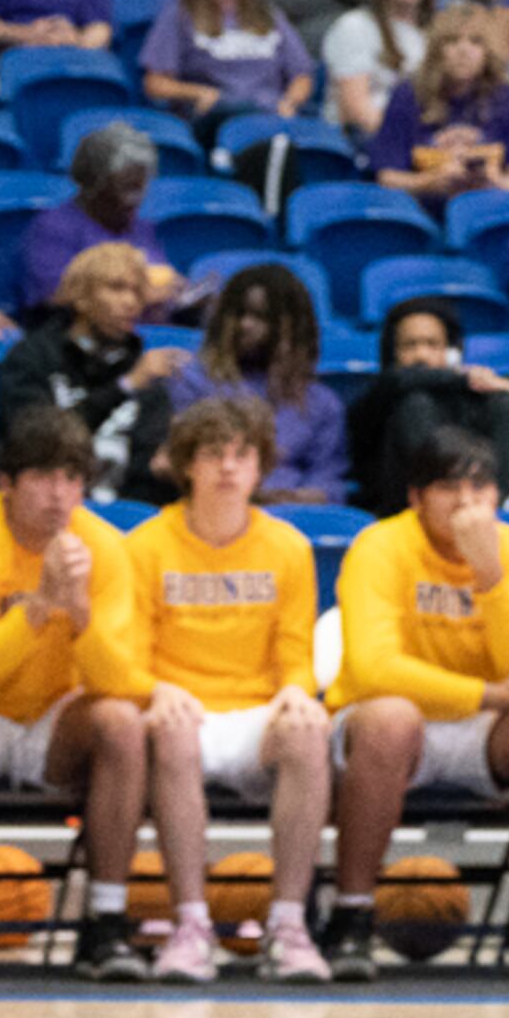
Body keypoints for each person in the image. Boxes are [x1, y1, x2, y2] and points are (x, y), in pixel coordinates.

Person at [0, 406, 159, 981]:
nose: (59, 494)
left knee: (121, 722)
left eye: (71, 478)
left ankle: (106, 923)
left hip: (55, 724)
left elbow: (120, 682)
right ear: (6, 483)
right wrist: (37, 611)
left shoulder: (105, 549)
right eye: (41, 477)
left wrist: (80, 613)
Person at [330, 419, 509, 987]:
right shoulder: (379, 546)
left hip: (487, 730)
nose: (466, 501)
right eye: (449, 487)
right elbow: (375, 669)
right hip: (393, 718)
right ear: (416, 497)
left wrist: (489, 574)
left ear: (498, 497)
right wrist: (488, 694)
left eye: (480, 487)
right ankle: (350, 916)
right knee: (391, 719)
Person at [118, 395, 334, 983]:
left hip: (256, 712)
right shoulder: (144, 546)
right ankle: (191, 926)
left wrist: (297, 690)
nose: (229, 467)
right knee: (174, 733)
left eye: (242, 454)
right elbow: (127, 652)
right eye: (214, 454)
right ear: (187, 464)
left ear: (260, 467)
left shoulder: (287, 546)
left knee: (308, 733)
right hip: (180, 705)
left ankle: (289, 925)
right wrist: (154, 689)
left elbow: (296, 651)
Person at [0, 242, 188, 503]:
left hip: (124, 514)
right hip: (44, 504)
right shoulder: (33, 358)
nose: (131, 302)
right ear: (81, 296)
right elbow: (35, 444)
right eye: (116, 288)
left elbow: (148, 463)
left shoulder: (141, 368)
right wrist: (124, 388)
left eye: (137, 291)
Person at [160, 259, 344, 503]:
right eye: (238, 314)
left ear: (291, 326)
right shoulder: (190, 381)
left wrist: (291, 499)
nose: (245, 325)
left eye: (260, 317)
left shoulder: (322, 402)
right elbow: (173, 463)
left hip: (292, 514)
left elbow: (329, 481)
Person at [345, 297, 509, 510]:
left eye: (432, 344)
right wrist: (464, 377)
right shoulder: (380, 394)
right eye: (409, 345)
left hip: (481, 507)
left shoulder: (469, 399)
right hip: (402, 506)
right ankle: (445, 499)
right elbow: (398, 381)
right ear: (393, 352)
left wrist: (506, 390)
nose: (421, 355)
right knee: (415, 404)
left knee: (504, 403)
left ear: (452, 352)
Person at [366, 2, 509, 203]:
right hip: (422, 209)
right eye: (452, 41)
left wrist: (496, 182)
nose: (463, 50)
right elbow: (387, 177)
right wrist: (429, 182)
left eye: (475, 42)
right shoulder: (408, 94)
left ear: (488, 52)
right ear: (436, 50)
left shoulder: (508, 97)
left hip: (487, 208)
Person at [139, 0, 313, 127]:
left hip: (271, 115)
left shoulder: (268, 13)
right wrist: (198, 93)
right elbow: (155, 83)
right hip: (219, 116)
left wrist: (289, 102)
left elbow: (302, 75)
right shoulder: (180, 13)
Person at [21, 123, 176, 325]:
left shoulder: (141, 227)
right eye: (127, 189)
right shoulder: (54, 228)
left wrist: (176, 291)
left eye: (140, 188)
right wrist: (140, 295)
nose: (135, 200)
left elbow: (161, 279)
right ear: (94, 185)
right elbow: (56, 300)